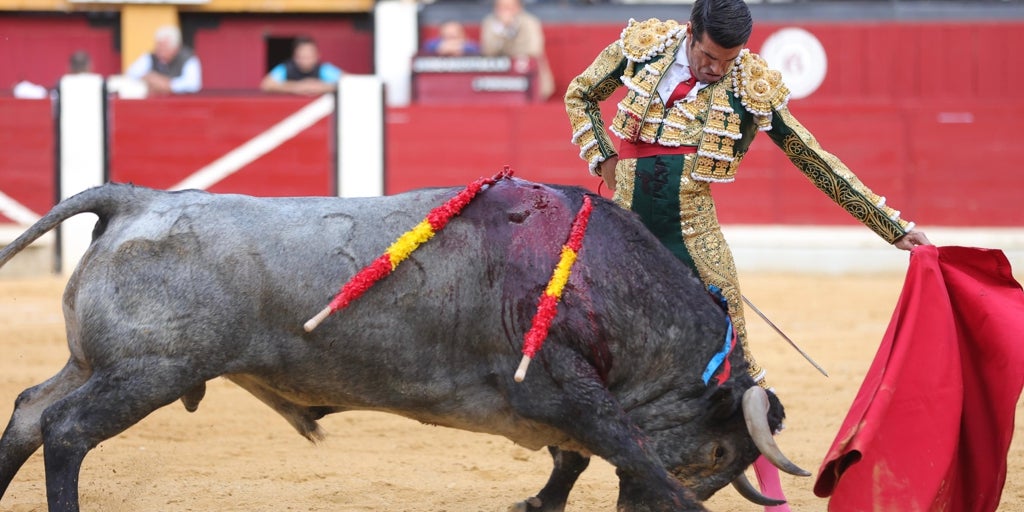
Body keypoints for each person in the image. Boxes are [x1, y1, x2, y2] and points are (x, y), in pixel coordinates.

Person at [564, 0, 931, 509]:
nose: (717, 69)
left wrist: (891, 227)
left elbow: (812, 157)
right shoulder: (644, 47)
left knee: (739, 365)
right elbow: (580, 93)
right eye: (709, 56)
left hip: (694, 241)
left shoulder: (749, 84)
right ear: (690, 33)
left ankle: (772, 491)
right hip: (624, 239)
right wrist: (602, 155)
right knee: (594, 351)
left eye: (728, 60)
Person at [480, 0, 555, 101]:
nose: (505, 11)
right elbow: (488, 51)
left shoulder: (530, 22)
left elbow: (533, 50)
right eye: (501, 7)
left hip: (529, 80)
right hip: (498, 83)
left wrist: (509, 31)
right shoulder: (489, 23)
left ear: (518, 7)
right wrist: (502, 30)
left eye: (509, 7)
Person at [125, 25, 202, 95]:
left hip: (181, 103)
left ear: (175, 48)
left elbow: (193, 85)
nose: (160, 51)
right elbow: (130, 74)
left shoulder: (188, 58)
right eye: (158, 46)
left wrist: (168, 84)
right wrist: (148, 78)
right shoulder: (150, 57)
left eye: (164, 47)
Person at [260, 36, 343, 96]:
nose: (306, 60)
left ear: (318, 56)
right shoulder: (286, 68)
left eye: (309, 56)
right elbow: (266, 85)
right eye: (302, 56)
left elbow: (347, 82)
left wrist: (320, 87)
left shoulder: (324, 69)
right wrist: (296, 87)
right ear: (295, 57)